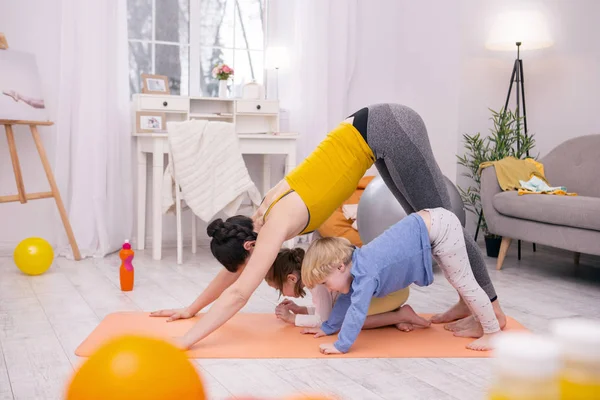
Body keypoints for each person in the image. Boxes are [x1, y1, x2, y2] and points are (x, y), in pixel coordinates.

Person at [151, 104, 506, 349]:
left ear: (249, 248)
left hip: (388, 126)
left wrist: (187, 339)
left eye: (249, 265)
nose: (254, 273)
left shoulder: (272, 226)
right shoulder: (257, 226)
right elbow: (234, 276)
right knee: (430, 218)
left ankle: (493, 309)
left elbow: (238, 292)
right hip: (371, 136)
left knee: (444, 219)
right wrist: (191, 307)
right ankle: (466, 301)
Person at [301, 208, 502, 354]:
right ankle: (479, 320)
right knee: (457, 280)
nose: (328, 289)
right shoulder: (357, 265)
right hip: (432, 225)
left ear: (339, 266)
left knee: (464, 282)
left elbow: (357, 311)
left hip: (440, 227)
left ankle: (492, 331)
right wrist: (328, 327)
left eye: (326, 283)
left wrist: (340, 345)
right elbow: (347, 301)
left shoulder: (365, 272)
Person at [266, 248, 430, 332]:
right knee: (344, 312)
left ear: (291, 278)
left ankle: (400, 315)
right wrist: (301, 310)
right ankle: (393, 316)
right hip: (390, 291)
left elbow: (326, 320)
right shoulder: (314, 274)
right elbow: (330, 308)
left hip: (391, 293)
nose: (281, 293)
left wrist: (293, 319)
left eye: (279, 289)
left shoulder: (315, 282)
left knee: (345, 322)